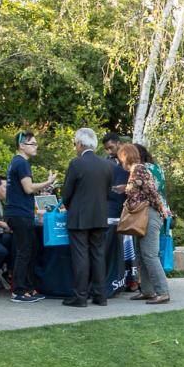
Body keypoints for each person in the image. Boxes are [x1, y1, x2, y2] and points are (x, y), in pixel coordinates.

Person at [62, 128, 115, 307]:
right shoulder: (106, 165)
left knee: (81, 256)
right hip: (100, 216)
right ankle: (101, 296)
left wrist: (69, 207)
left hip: (79, 217)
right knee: (98, 256)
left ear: (79, 144)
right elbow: (108, 192)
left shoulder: (76, 164)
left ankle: (81, 296)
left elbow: (66, 193)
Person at [4, 132, 59, 303]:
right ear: (22, 145)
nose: (36, 147)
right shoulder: (22, 163)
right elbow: (28, 188)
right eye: (32, 144)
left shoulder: (16, 162)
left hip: (18, 212)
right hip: (20, 213)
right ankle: (19, 291)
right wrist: (48, 183)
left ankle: (27, 288)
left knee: (29, 250)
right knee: (24, 252)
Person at [119, 144, 171, 304]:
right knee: (141, 255)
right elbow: (141, 190)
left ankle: (163, 292)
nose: (120, 161)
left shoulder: (139, 169)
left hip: (149, 215)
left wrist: (162, 211)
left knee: (149, 255)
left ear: (125, 157)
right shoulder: (136, 170)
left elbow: (152, 192)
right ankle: (147, 291)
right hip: (144, 216)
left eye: (121, 157)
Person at [101, 134, 133, 299]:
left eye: (111, 147)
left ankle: (131, 281)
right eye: (106, 149)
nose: (109, 151)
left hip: (127, 214)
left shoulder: (132, 166)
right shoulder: (108, 163)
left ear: (119, 144)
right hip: (113, 214)